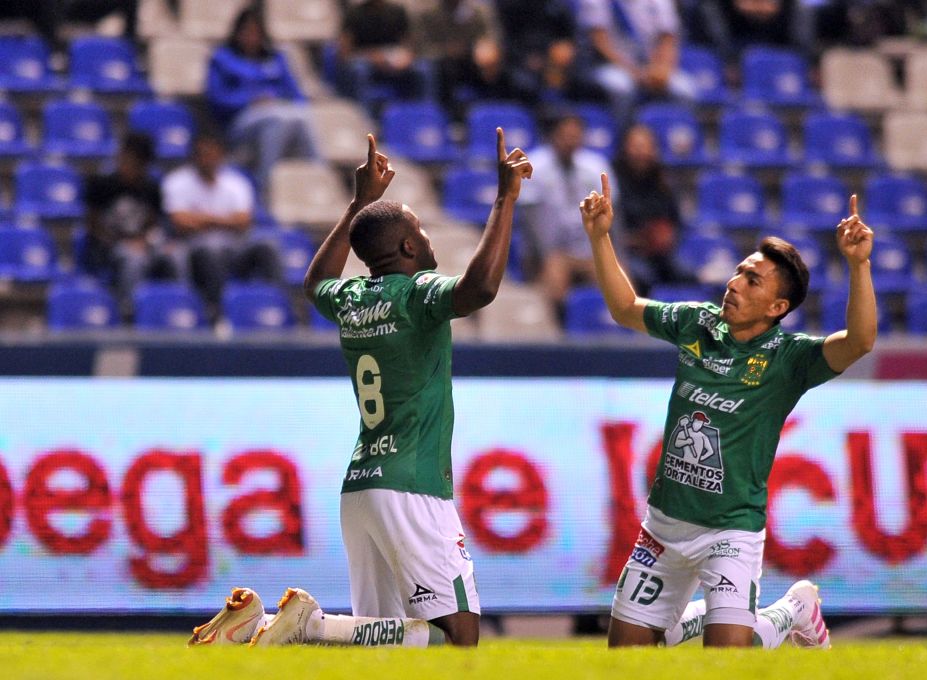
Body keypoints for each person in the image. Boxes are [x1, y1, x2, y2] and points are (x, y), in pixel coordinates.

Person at [188, 130, 533, 648]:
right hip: (413, 485)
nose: (430, 240)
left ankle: (259, 627)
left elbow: (313, 284)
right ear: (409, 246)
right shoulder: (417, 293)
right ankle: (311, 624)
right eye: (422, 231)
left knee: (383, 644)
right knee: (458, 637)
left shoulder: (351, 297)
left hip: (361, 488)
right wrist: (505, 198)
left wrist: (358, 204)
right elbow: (480, 288)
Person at [579, 175, 876, 648]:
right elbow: (625, 308)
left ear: (777, 306)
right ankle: (695, 619)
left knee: (728, 659)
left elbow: (859, 341)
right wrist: (599, 236)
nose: (734, 284)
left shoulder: (789, 359)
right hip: (664, 527)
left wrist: (858, 266)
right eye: (739, 272)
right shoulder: (697, 323)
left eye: (752, 280)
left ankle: (791, 610)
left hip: (731, 531)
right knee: (625, 658)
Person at [205, 6, 319, 195]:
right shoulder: (222, 58)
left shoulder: (275, 58)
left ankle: (316, 179)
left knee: (302, 116)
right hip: (238, 121)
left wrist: (275, 100)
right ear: (237, 33)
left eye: (256, 32)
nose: (251, 37)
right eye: (246, 32)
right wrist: (251, 99)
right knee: (278, 119)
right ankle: (265, 185)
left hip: (277, 113)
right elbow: (217, 98)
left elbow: (296, 95)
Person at [161, 132, 281, 311]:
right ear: (194, 156)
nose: (207, 159)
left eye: (212, 154)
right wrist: (225, 220)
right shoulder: (177, 182)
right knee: (213, 247)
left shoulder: (236, 182)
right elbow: (181, 223)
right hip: (194, 245)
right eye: (202, 154)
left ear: (221, 155)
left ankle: (277, 304)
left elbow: (244, 222)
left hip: (235, 245)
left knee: (268, 245)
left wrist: (203, 219)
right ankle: (217, 310)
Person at [519, 112, 613, 317]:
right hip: (552, 252)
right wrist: (542, 259)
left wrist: (611, 254)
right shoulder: (534, 166)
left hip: (590, 250)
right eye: (566, 136)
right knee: (554, 279)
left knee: (618, 281)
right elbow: (531, 222)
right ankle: (558, 330)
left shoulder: (595, 166)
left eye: (575, 136)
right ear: (553, 136)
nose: (571, 141)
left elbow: (612, 217)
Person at [81, 132, 177, 313]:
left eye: (135, 163)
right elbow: (93, 227)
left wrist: (147, 241)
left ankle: (175, 308)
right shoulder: (101, 185)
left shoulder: (151, 188)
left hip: (143, 244)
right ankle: (129, 311)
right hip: (107, 247)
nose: (127, 166)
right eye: (125, 159)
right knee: (133, 258)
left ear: (145, 165)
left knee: (176, 255)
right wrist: (123, 242)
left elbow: (153, 224)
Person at [577, 0, 696, 124]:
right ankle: (624, 133)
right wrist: (635, 72)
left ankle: (679, 132)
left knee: (684, 89)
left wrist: (662, 68)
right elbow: (601, 43)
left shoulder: (659, 2)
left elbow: (668, 39)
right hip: (610, 66)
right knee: (622, 87)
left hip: (651, 66)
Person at [611, 122, 693, 294]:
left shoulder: (663, 183)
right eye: (636, 146)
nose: (641, 152)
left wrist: (668, 236)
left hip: (661, 254)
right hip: (627, 253)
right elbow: (613, 230)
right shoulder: (613, 182)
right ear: (625, 149)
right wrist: (636, 239)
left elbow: (676, 222)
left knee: (687, 275)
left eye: (646, 146)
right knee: (642, 277)